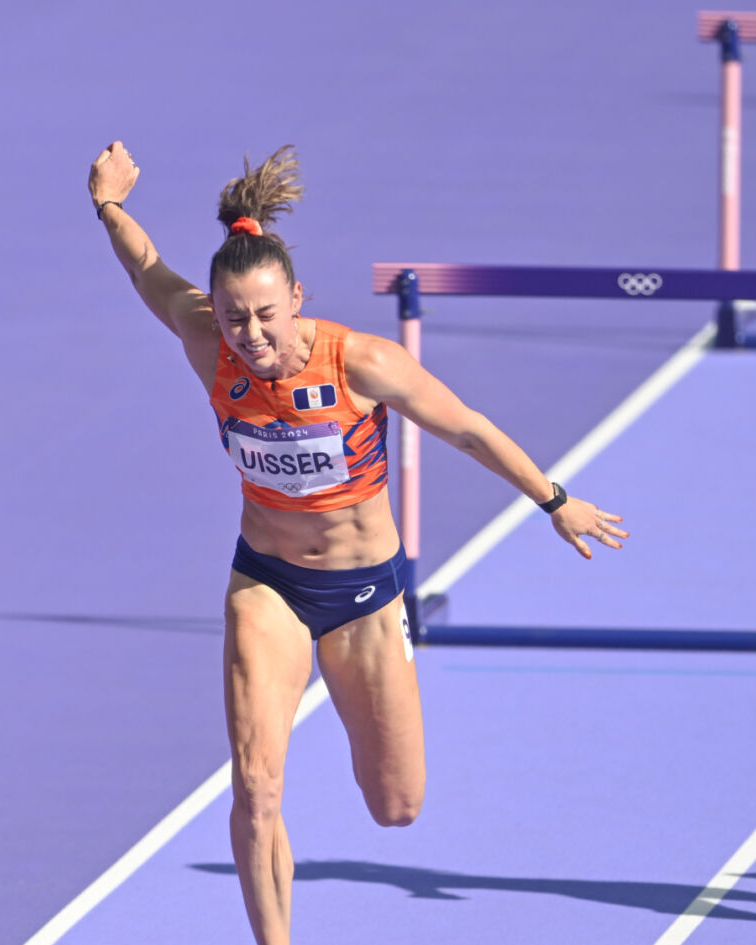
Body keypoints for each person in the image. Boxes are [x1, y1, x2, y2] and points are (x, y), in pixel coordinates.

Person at [87, 142, 628, 944]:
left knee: (396, 804)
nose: (252, 334)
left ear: (297, 297)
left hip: (364, 591)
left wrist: (553, 498)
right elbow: (148, 270)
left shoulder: (362, 362)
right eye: (235, 317)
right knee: (257, 783)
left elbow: (470, 430)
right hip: (266, 580)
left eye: (267, 314)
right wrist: (109, 205)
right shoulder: (206, 339)